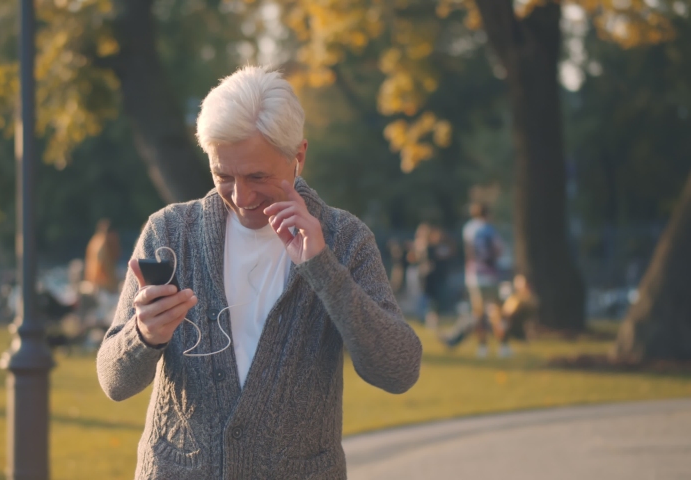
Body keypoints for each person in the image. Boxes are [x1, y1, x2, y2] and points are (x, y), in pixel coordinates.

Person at [96, 66, 422, 479]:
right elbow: (113, 380)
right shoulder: (170, 233)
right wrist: (144, 336)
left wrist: (323, 268)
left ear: (298, 156)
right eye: (222, 176)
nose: (241, 196)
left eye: (258, 176)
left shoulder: (346, 240)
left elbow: (399, 370)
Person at [461, 202, 505, 358]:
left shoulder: (468, 229)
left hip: (474, 275)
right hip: (490, 274)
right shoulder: (489, 230)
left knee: (478, 313)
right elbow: (498, 250)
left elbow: (468, 252)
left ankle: (482, 346)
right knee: (496, 312)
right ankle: (503, 345)